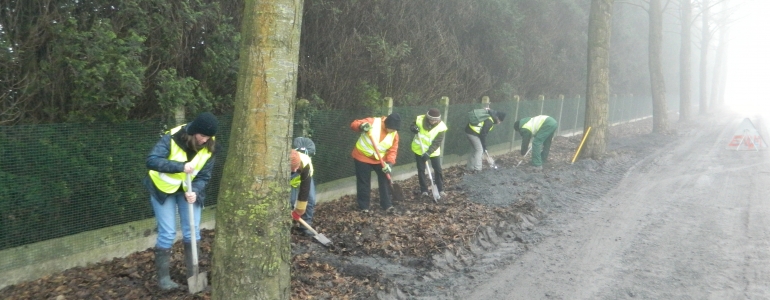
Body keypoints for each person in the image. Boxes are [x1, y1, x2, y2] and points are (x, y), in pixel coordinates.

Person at [143, 112, 218, 290]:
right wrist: (180, 167)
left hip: (188, 190)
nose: (204, 140)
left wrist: (196, 191)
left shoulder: (210, 146)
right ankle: (164, 280)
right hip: (162, 189)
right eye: (202, 136)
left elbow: (204, 176)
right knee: (168, 232)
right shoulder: (172, 138)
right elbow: (151, 161)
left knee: (192, 232)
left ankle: (193, 274)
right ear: (193, 132)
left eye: (208, 137)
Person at [350, 113, 401, 213]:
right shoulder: (373, 122)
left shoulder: (394, 134)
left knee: (385, 179)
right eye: (392, 129)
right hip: (362, 156)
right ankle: (364, 207)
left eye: (395, 129)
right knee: (363, 182)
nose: (393, 131)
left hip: (379, 159)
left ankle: (387, 205)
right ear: (387, 125)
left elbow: (393, 151)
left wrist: (389, 164)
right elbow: (353, 124)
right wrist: (361, 126)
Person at [410, 108, 447, 197]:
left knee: (438, 170)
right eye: (431, 120)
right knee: (421, 170)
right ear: (428, 118)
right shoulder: (419, 119)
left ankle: (440, 189)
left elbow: (437, 142)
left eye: (436, 120)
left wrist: (428, 153)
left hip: (433, 152)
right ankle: (424, 190)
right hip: (419, 150)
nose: (433, 122)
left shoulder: (441, 127)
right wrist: (413, 128)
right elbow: (412, 125)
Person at [289, 137, 316, 236]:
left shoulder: (305, 164)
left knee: (310, 199)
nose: (295, 170)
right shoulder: (282, 164)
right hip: (291, 183)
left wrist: (300, 209)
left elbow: (305, 188)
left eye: (297, 167)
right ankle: (288, 224)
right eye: (293, 168)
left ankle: (305, 226)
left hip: (305, 180)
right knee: (290, 202)